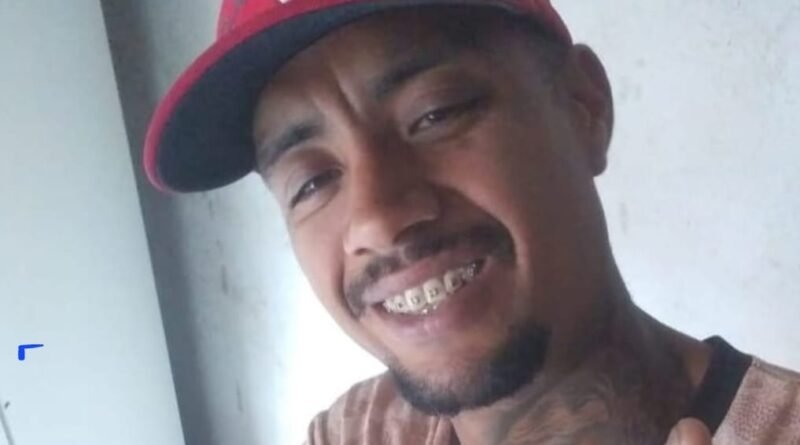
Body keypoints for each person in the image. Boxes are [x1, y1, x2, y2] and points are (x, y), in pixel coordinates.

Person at [143, 0, 800, 443]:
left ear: (584, 108)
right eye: (311, 181)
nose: (376, 217)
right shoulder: (359, 430)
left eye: (435, 114)